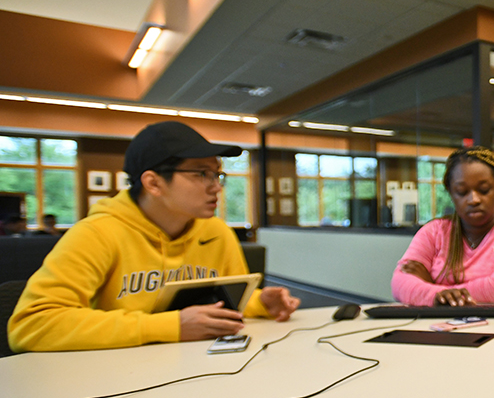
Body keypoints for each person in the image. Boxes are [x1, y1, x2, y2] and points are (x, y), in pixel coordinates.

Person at [8, 121, 300, 353]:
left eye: (218, 175)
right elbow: (32, 325)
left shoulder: (215, 231)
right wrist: (171, 326)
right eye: (202, 174)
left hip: (195, 369)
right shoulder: (97, 233)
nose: (216, 187)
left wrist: (261, 302)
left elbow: (224, 303)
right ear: (153, 183)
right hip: (110, 376)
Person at [391, 146, 494, 306]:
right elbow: (399, 283)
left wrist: (436, 291)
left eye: (483, 190)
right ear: (451, 193)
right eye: (461, 191)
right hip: (441, 325)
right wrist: (441, 294)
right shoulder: (434, 231)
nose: (473, 199)